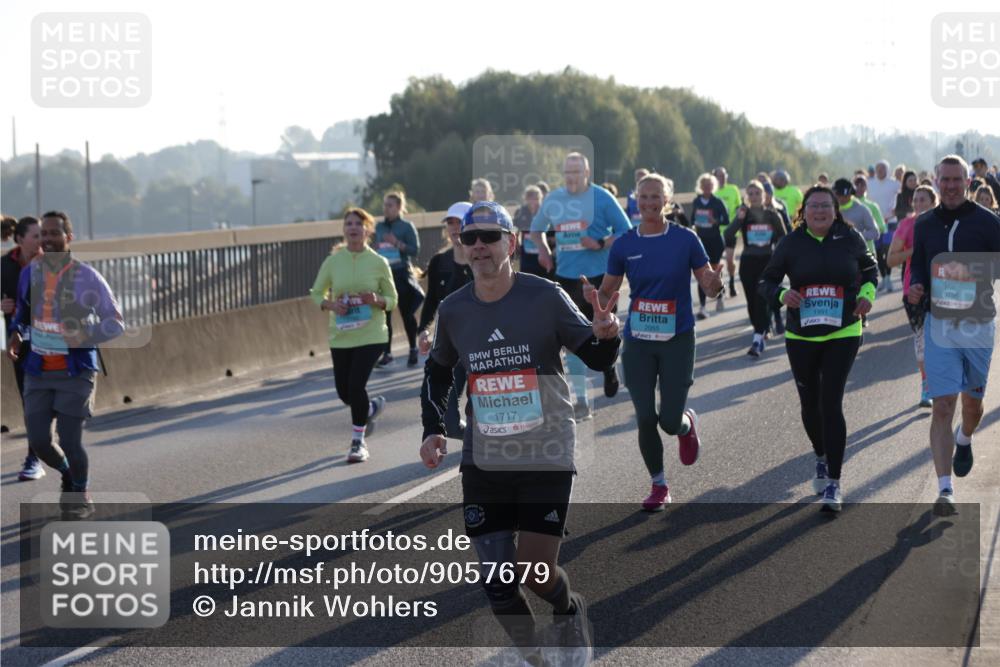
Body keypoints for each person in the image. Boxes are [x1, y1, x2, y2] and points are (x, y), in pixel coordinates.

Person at [420, 201, 621, 664]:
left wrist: (608, 333)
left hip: (545, 449)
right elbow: (437, 373)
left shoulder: (544, 296)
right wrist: (434, 428)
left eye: (489, 237)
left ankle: (568, 608)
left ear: (511, 243)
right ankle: (536, 659)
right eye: (469, 238)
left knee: (534, 572)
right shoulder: (453, 311)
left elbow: (595, 356)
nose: (478, 246)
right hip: (485, 457)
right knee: (496, 580)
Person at [596, 174, 721, 511]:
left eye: (656, 197)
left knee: (668, 419)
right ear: (636, 200)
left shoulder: (686, 239)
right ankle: (659, 484)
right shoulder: (624, 244)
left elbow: (707, 282)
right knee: (645, 417)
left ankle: (685, 424)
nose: (649, 203)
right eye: (643, 197)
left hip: (678, 337)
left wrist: (714, 284)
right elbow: (609, 289)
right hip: (638, 340)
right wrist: (599, 306)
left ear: (666, 200)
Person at [759, 186, 878, 513]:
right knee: (810, 405)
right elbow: (766, 282)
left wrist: (867, 293)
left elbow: (870, 270)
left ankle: (834, 484)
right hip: (802, 336)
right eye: (814, 207)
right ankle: (821, 457)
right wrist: (783, 296)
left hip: (844, 329)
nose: (820, 211)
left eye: (826, 206)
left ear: (835, 209)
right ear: (805, 210)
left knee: (831, 402)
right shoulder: (792, 241)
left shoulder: (849, 237)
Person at [6, 211, 125, 519]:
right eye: (43, 234)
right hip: (37, 370)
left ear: (68, 238)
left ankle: (80, 494)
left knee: (70, 440)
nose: (47, 239)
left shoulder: (87, 276)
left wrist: (85, 335)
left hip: (76, 372)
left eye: (53, 233)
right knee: (40, 442)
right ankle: (68, 475)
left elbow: (116, 323)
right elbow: (21, 312)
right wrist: (15, 333)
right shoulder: (29, 274)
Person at [907, 155, 1000, 516]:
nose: (949, 186)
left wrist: (971, 270)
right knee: (943, 404)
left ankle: (965, 438)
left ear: (967, 182)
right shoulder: (925, 223)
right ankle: (945, 490)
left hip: (977, 324)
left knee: (971, 405)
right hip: (939, 323)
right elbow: (918, 262)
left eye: (955, 180)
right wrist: (917, 283)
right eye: (943, 180)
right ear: (937, 181)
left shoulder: (988, 222)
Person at [529, 152, 631, 414]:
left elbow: (626, 231)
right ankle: (582, 400)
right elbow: (535, 229)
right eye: (568, 172)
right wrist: (542, 250)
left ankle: (609, 369)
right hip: (566, 277)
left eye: (577, 171)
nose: (572, 177)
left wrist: (600, 243)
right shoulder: (554, 199)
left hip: (601, 277)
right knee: (571, 340)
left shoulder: (601, 198)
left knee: (605, 329)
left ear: (587, 173)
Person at [310, 208, 398, 463]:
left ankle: (358, 442)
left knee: (356, 385)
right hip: (342, 335)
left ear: (367, 229)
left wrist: (377, 299)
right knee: (344, 392)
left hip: (372, 335)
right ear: (344, 230)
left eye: (358, 224)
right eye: (348, 224)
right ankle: (369, 409)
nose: (353, 228)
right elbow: (317, 293)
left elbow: (393, 299)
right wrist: (331, 305)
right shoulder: (333, 261)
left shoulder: (378, 262)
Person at [417, 202, 473, 439]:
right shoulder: (440, 262)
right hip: (451, 346)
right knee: (448, 423)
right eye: (450, 223)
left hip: (484, 344)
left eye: (459, 222)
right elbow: (431, 301)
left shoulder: (484, 258)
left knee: (486, 410)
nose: (454, 227)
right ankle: (475, 439)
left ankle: (484, 448)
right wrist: (424, 330)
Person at [887, 184, 939, 408]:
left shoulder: (941, 223)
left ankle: (942, 379)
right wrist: (914, 250)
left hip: (943, 286)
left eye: (923, 200)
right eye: (916, 200)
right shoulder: (907, 226)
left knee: (942, 338)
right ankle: (926, 383)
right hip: (914, 288)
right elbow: (891, 260)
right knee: (922, 339)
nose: (918, 204)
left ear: (933, 202)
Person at [2, 216, 44, 480]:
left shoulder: (52, 262)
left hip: (53, 341)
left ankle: (45, 446)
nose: (42, 241)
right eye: (36, 236)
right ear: (20, 239)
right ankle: (34, 457)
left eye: (44, 235)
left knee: (48, 402)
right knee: (31, 401)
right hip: (20, 342)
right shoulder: (4, 265)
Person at [724, 181, 787, 356]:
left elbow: (784, 238)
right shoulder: (744, 214)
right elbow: (728, 234)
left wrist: (778, 258)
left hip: (767, 262)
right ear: (747, 196)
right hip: (748, 262)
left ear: (764, 195)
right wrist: (739, 219)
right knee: (752, 302)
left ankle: (757, 339)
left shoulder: (772, 215)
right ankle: (762, 328)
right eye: (750, 193)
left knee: (761, 299)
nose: (753, 196)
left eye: (757, 193)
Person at [374, 192, 423, 368]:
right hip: (384, 275)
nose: (386, 208)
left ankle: (413, 348)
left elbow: (415, 250)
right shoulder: (379, 227)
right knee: (384, 315)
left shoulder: (406, 227)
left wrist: (397, 243)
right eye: (385, 205)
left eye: (390, 205)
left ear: (399, 207)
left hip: (401, 273)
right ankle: (387, 354)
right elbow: (374, 247)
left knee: (406, 313)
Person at [690, 173, 730, 320]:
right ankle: (702, 306)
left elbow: (726, 220)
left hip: (715, 242)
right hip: (701, 241)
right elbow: (692, 220)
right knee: (703, 273)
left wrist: (716, 221)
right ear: (700, 187)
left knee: (714, 269)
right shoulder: (696, 201)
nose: (707, 188)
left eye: (710, 185)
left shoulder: (717, 202)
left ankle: (720, 294)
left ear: (713, 187)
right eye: (704, 186)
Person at [868, 159, 900, 293]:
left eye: (883, 168)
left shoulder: (894, 184)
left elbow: (901, 199)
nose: (880, 171)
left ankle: (888, 278)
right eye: (878, 169)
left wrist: (893, 212)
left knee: (887, 251)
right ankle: (885, 278)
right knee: (878, 252)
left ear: (887, 169)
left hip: (890, 222)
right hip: (875, 223)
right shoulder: (870, 183)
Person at [713, 167, 742, 297]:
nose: (722, 178)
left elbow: (738, 206)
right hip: (716, 232)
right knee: (717, 262)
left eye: (724, 175)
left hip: (731, 231)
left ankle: (731, 282)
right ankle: (720, 286)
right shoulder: (712, 191)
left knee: (730, 260)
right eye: (719, 176)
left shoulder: (733, 189)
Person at [513, 186, 548, 277]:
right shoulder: (520, 211)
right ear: (526, 199)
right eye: (530, 198)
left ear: (540, 199)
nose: (533, 201)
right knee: (526, 277)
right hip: (526, 253)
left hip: (543, 252)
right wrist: (517, 244)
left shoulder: (545, 212)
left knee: (544, 277)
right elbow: (515, 229)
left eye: (536, 198)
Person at [852, 173, 889, 257]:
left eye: (862, 185)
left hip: (867, 250)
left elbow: (882, 227)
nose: (859, 188)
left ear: (866, 187)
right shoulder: (845, 206)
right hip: (849, 252)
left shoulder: (872, 206)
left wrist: (863, 233)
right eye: (857, 185)